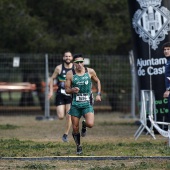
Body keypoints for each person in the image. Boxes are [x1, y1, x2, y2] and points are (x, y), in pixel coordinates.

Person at [65, 54, 101, 154]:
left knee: (90, 124)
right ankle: (78, 146)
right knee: (75, 128)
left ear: (83, 62)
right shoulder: (70, 74)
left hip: (87, 103)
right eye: (77, 62)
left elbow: (97, 81)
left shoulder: (90, 71)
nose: (79, 64)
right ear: (74, 63)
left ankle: (84, 125)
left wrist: (98, 94)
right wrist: (72, 90)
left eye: (81, 62)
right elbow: (66, 90)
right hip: (75, 104)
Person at [48, 51, 73, 142]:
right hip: (60, 94)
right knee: (61, 116)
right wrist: (51, 91)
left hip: (71, 95)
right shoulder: (59, 68)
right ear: (63, 58)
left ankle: (65, 135)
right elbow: (51, 79)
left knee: (69, 115)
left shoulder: (75, 68)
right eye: (66, 56)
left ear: (72, 58)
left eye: (69, 56)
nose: (68, 58)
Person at [163, 42, 170, 122]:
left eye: (168, 49)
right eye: (165, 49)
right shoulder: (168, 61)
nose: (166, 51)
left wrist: (168, 90)